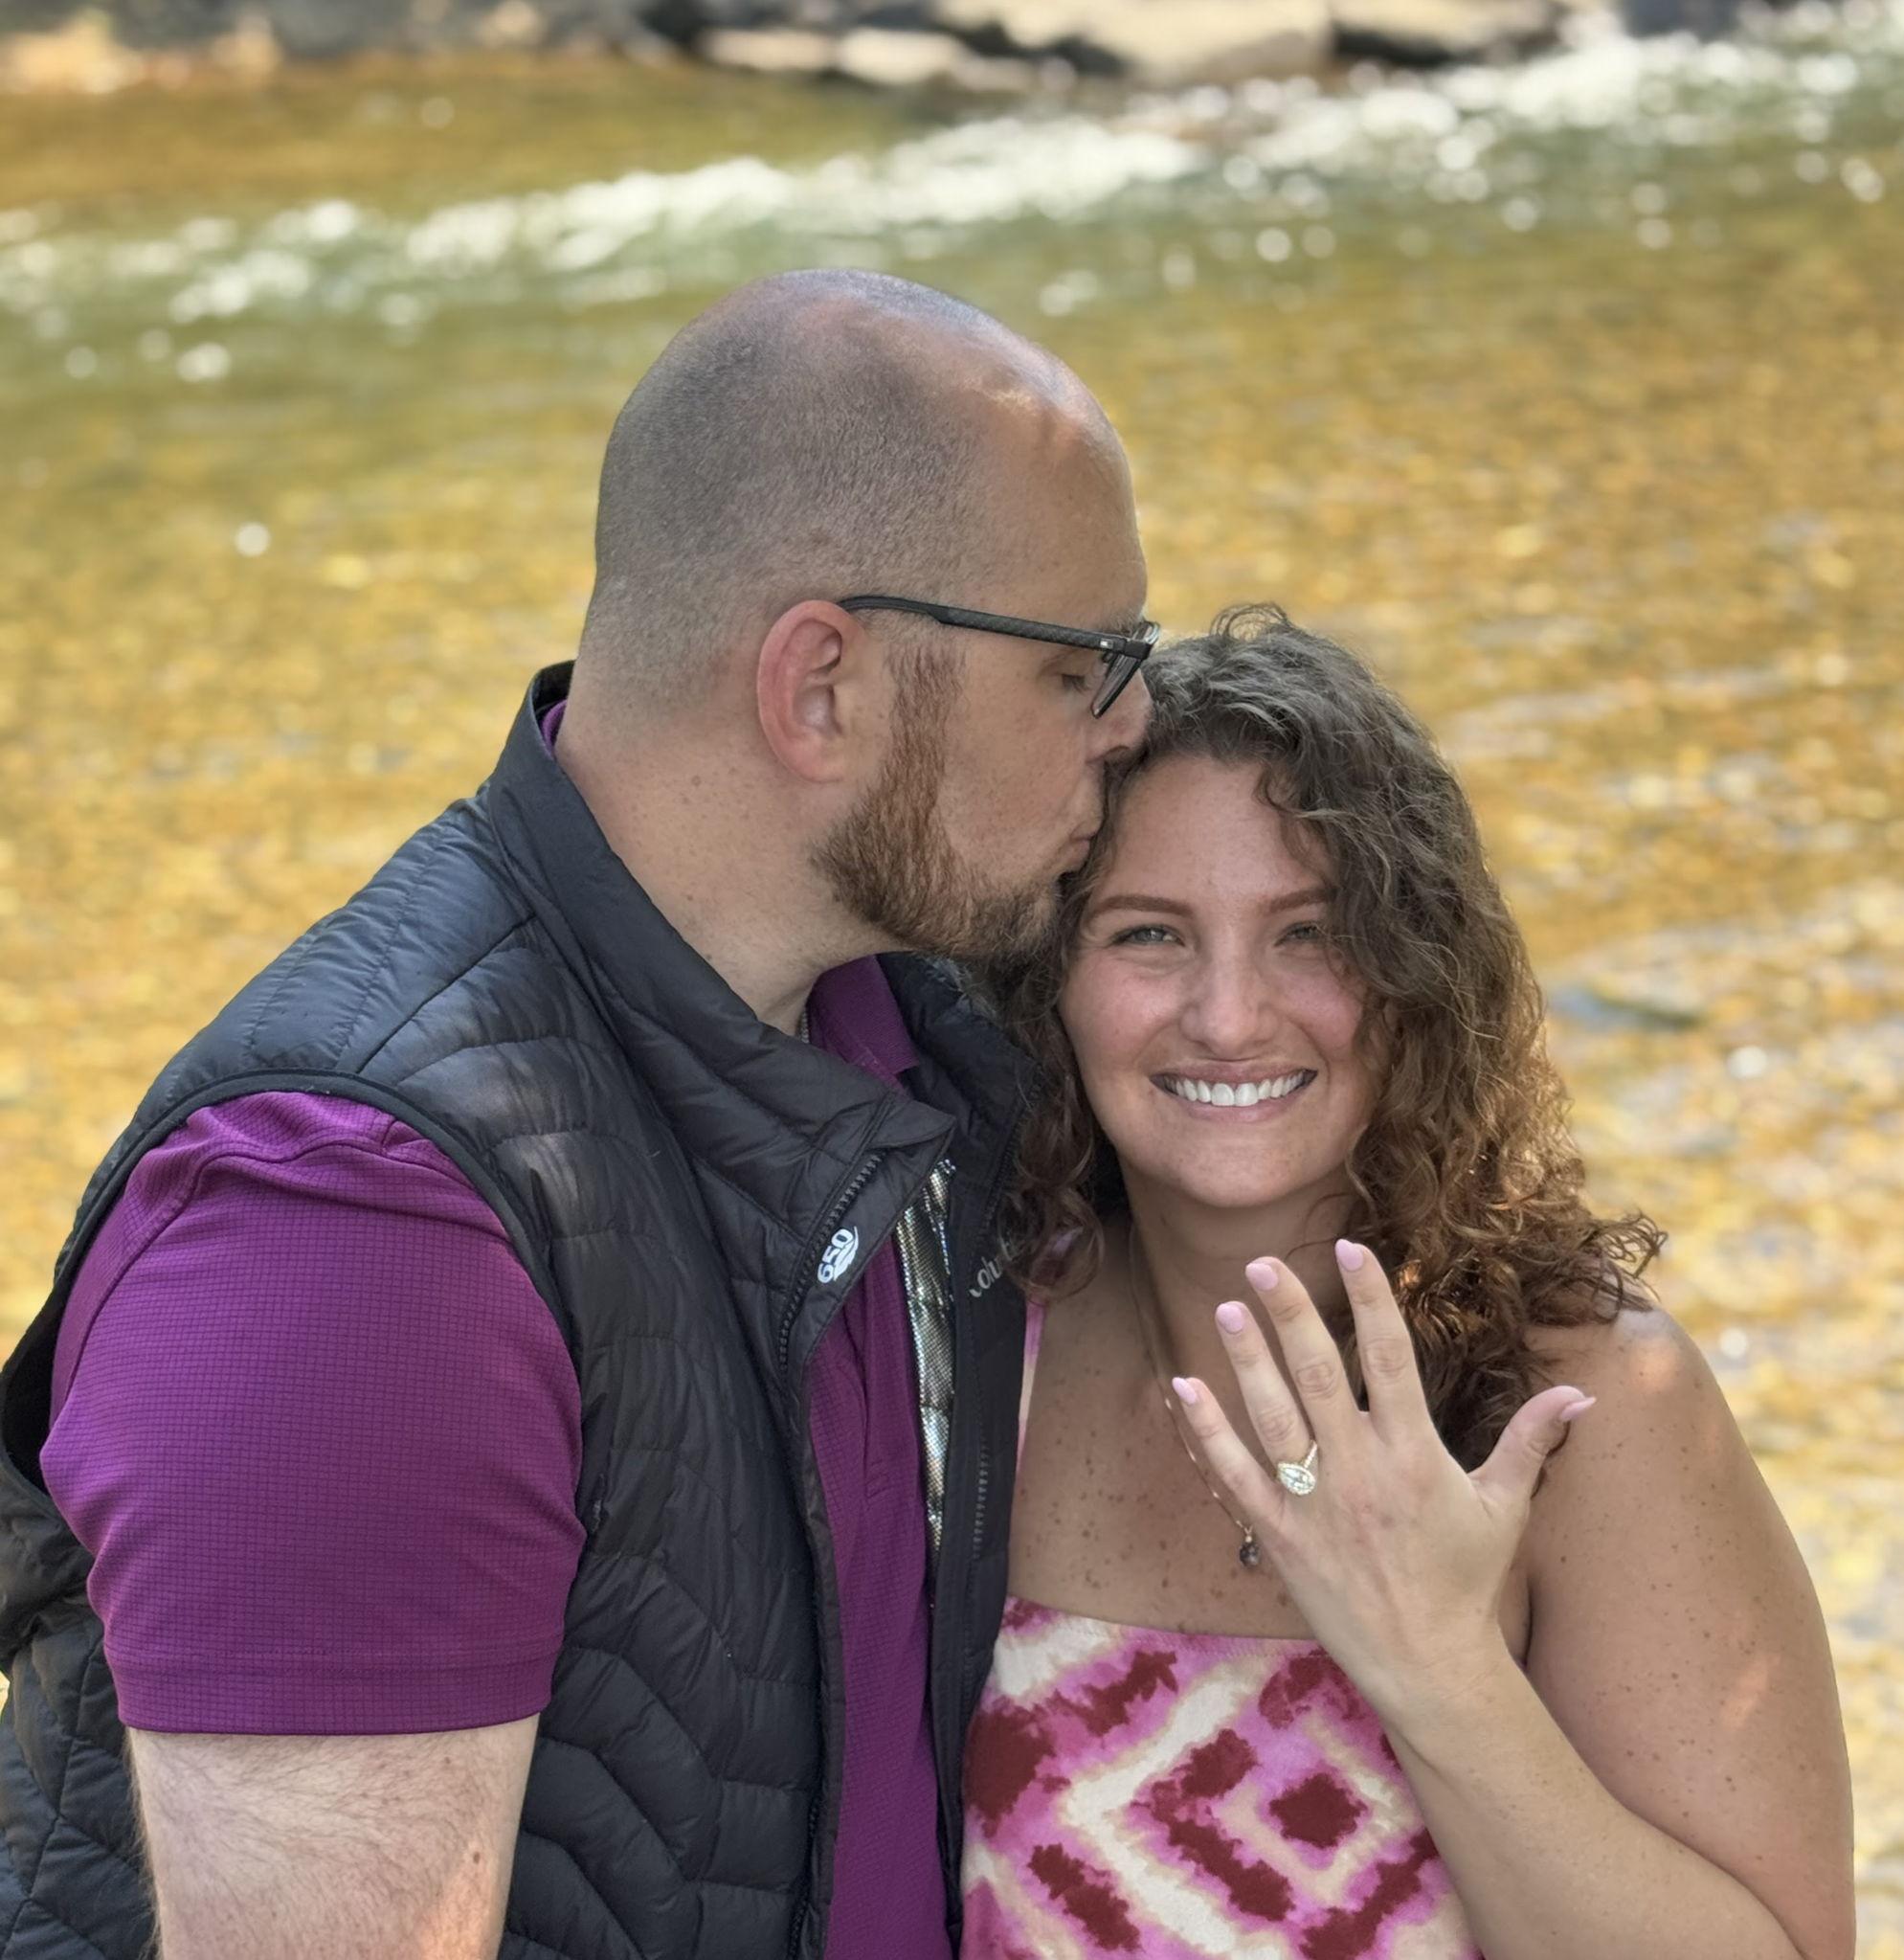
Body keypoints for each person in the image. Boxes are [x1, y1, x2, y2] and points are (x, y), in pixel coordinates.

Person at [0, 269, 1156, 1960]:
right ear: (818, 687)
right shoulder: (352, 1231)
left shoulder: (916, 1020)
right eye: (1087, 663)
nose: (1138, 723)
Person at [961, 607, 1854, 1960]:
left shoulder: (1589, 1411)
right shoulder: (980, 1338)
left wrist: (1435, 1668)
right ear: (1049, 982)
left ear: (1415, 972)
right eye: (1148, 935)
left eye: (1308, 933)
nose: (1226, 1015)